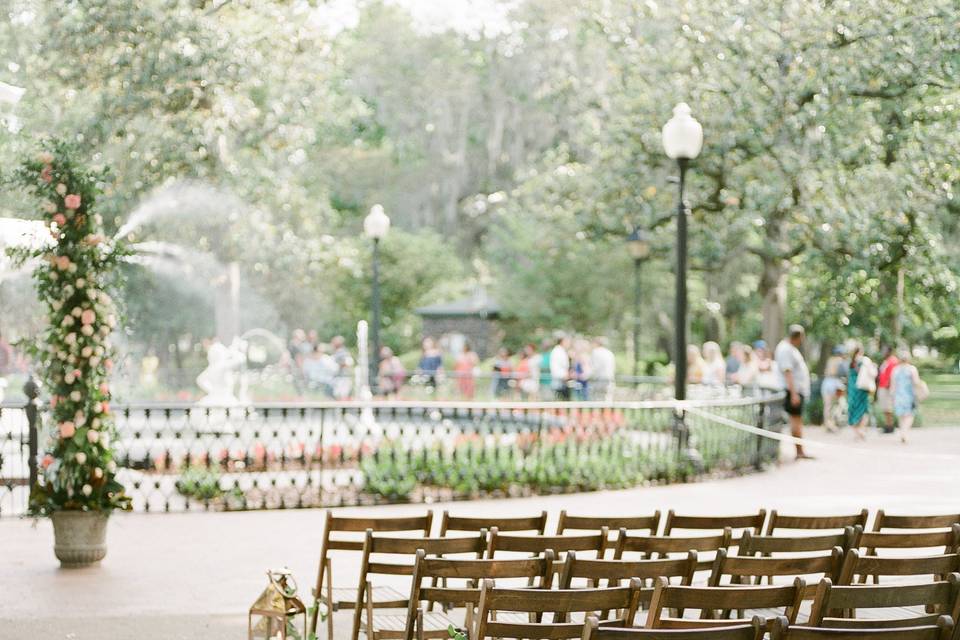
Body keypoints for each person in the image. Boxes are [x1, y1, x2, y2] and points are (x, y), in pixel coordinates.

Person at [775, 324, 812, 460]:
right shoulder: (785, 349)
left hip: (796, 390)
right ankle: (799, 451)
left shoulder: (790, 349)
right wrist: (794, 393)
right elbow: (788, 372)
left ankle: (800, 450)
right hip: (792, 391)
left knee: (797, 420)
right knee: (795, 420)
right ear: (798, 336)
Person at [891, 349, 922, 444]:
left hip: (898, 396)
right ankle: (904, 433)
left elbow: (893, 385)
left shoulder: (895, 370)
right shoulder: (912, 369)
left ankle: (902, 433)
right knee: (909, 415)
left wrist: (892, 396)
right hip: (909, 396)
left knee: (901, 416)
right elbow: (916, 382)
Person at [847, 343, 873, 441]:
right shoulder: (864, 361)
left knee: (853, 409)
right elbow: (872, 373)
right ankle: (861, 430)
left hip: (852, 389)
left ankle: (857, 432)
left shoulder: (851, 362)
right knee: (864, 410)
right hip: (862, 388)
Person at [820, 345, 849, 432]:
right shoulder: (841, 361)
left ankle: (827, 424)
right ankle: (833, 424)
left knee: (827, 406)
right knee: (837, 404)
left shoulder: (830, 360)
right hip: (835, 383)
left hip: (826, 382)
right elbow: (844, 373)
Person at [876, 346, 899, 434]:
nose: (883, 352)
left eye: (884, 350)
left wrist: (888, 386)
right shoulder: (886, 361)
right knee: (885, 408)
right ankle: (888, 424)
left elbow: (892, 375)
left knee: (888, 407)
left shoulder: (893, 361)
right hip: (883, 386)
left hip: (887, 388)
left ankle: (890, 426)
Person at [589, 337, 616, 401]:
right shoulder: (610, 353)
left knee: (596, 398)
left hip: (599, 379)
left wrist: (588, 376)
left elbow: (594, 368)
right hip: (609, 378)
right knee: (607, 398)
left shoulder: (595, 352)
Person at [550, 335, 571, 400]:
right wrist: (565, 375)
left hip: (561, 378)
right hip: (560, 378)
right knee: (561, 399)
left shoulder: (559, 350)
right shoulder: (559, 351)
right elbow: (562, 365)